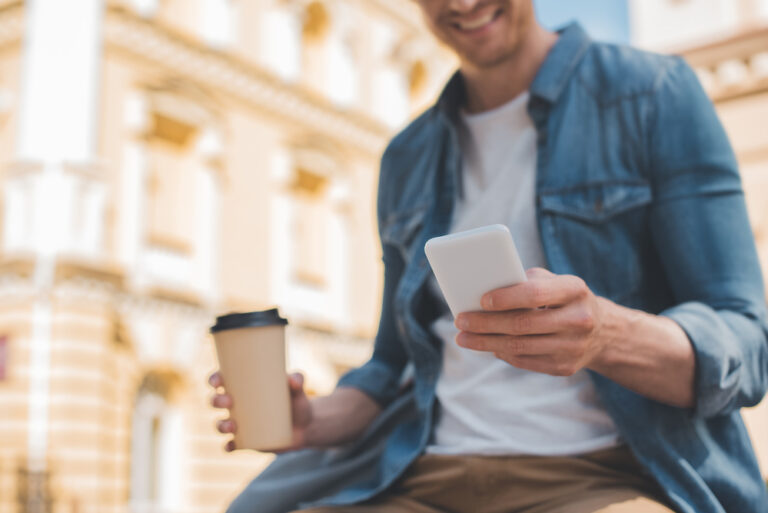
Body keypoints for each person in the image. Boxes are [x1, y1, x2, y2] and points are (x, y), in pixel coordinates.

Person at [209, 1, 768, 512]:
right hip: (423, 475)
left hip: (610, 477)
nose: (459, 4)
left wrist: (606, 336)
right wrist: (313, 420)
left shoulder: (655, 94)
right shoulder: (406, 156)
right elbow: (392, 365)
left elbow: (746, 342)